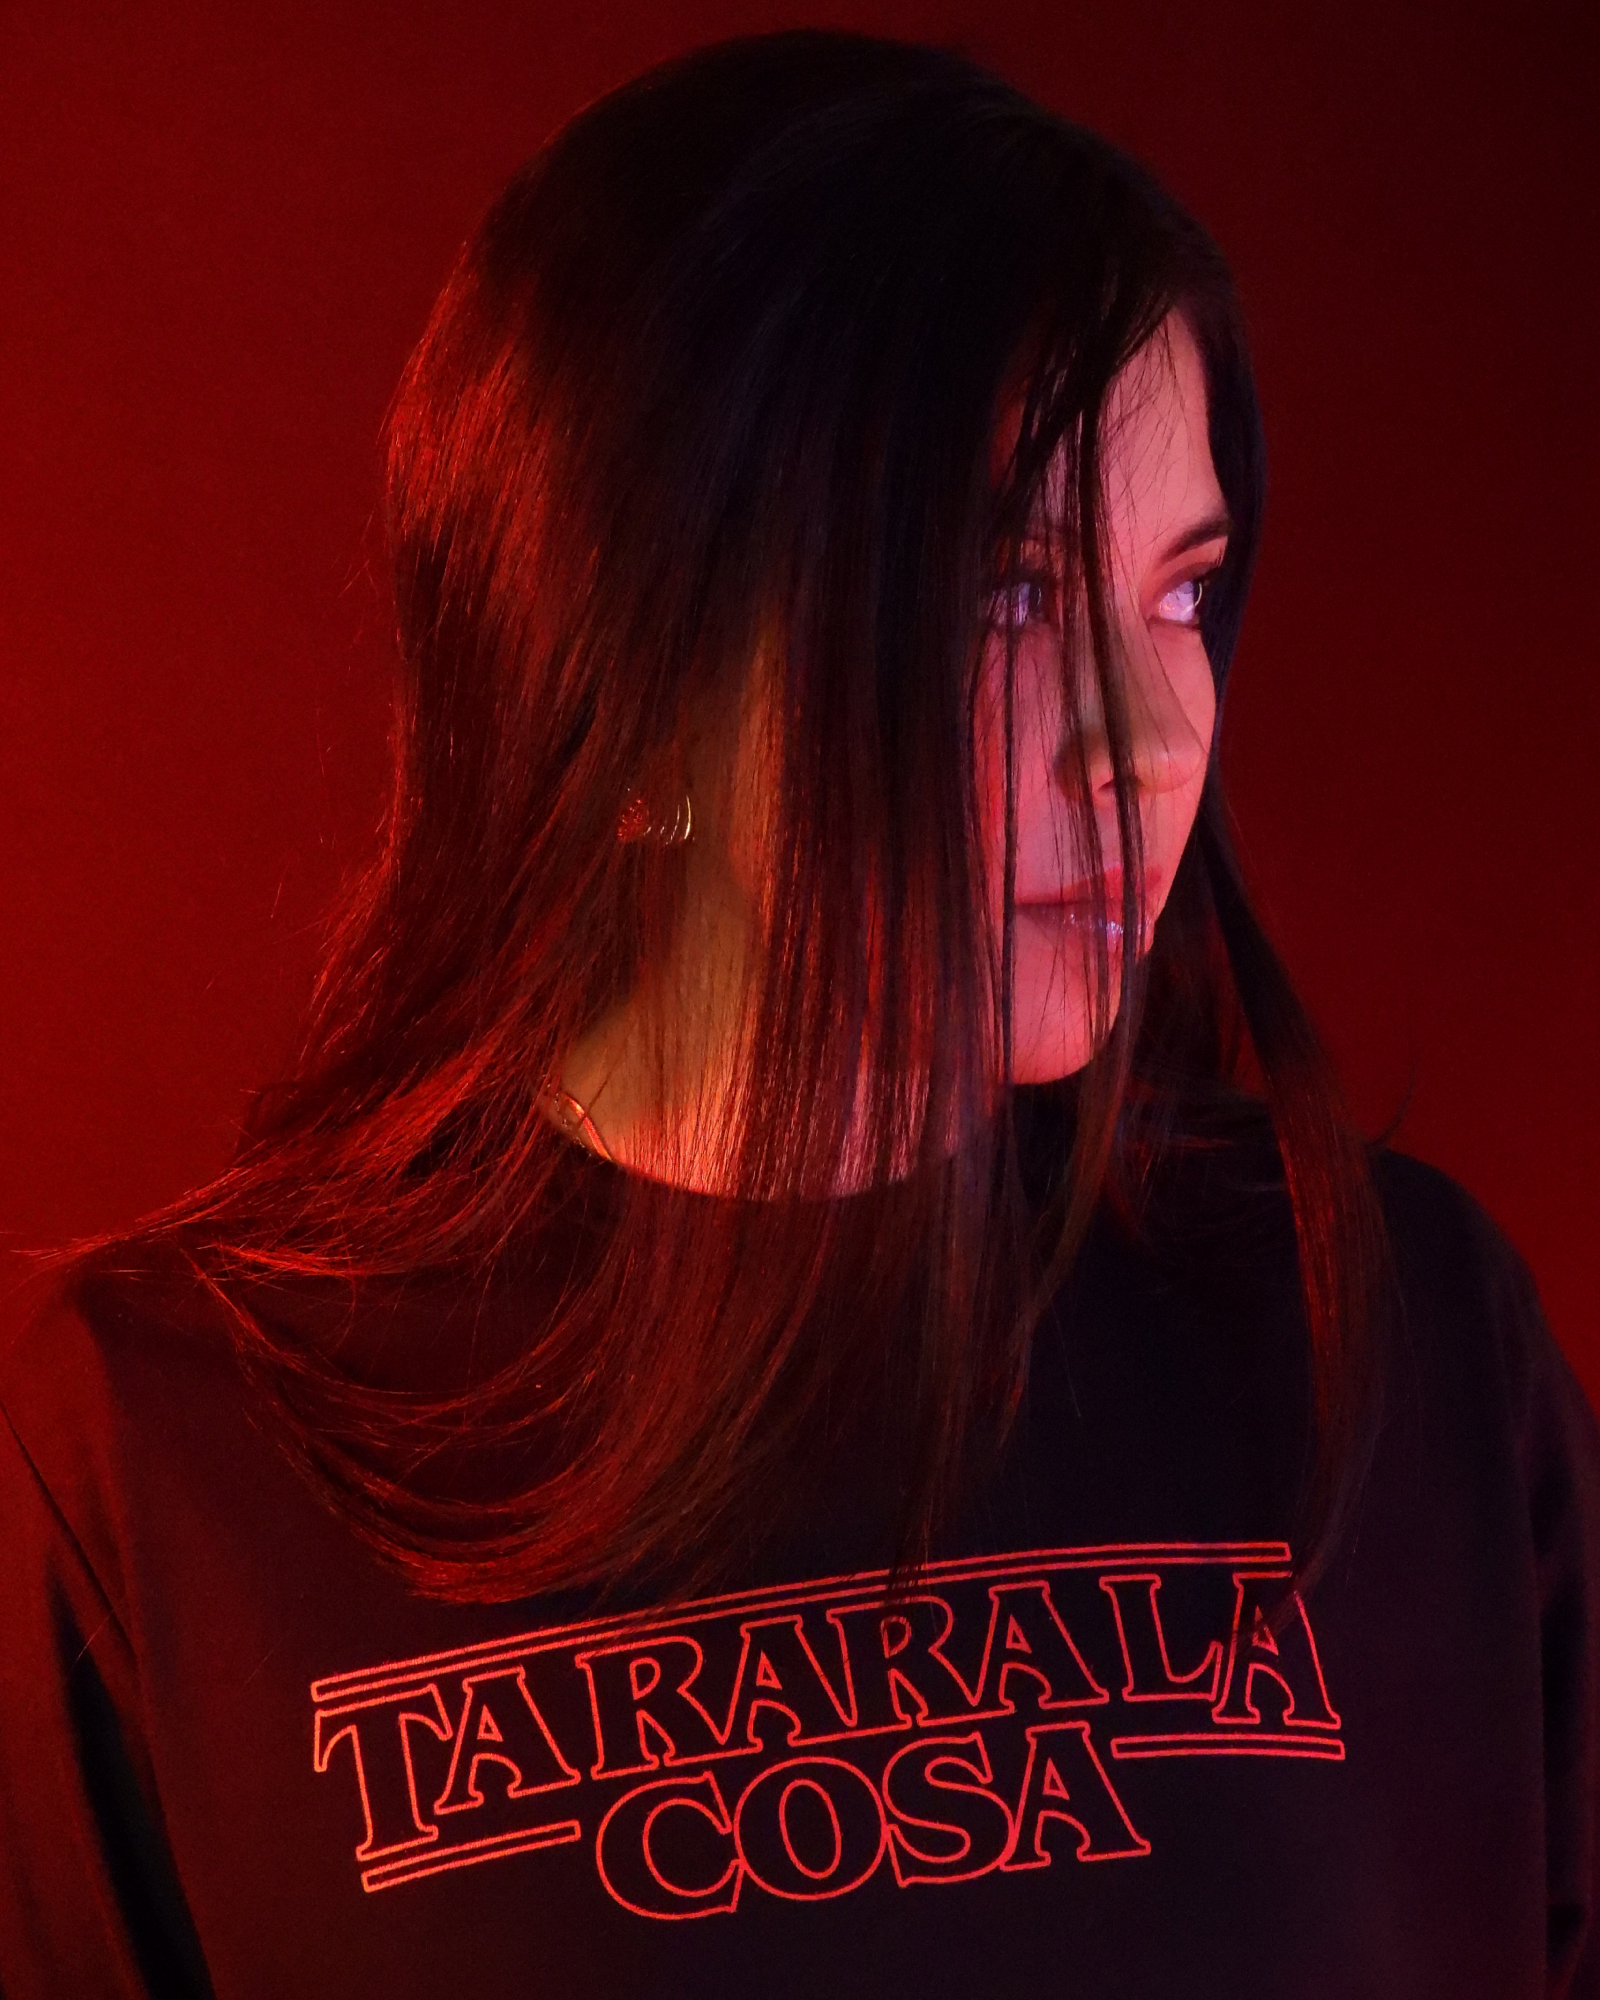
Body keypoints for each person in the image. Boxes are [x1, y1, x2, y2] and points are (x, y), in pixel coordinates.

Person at [1, 29, 1594, 1998]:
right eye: (1001, 597)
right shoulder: (163, 1461)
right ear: (626, 678)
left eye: (1180, 594)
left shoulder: (1402, 1345)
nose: (1146, 742)